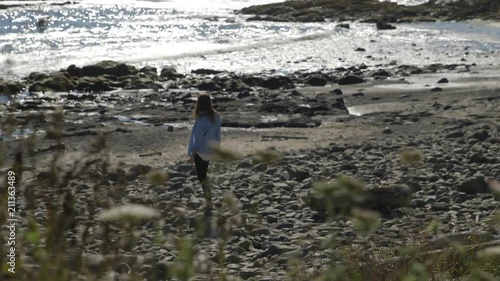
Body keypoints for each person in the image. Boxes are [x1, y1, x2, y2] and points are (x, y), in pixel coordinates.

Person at [187, 94, 221, 216]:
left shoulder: (201, 118)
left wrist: (192, 154)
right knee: (204, 175)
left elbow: (198, 138)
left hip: (200, 151)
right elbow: (218, 134)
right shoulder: (216, 116)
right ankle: (209, 201)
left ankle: (209, 202)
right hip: (210, 150)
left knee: (202, 177)